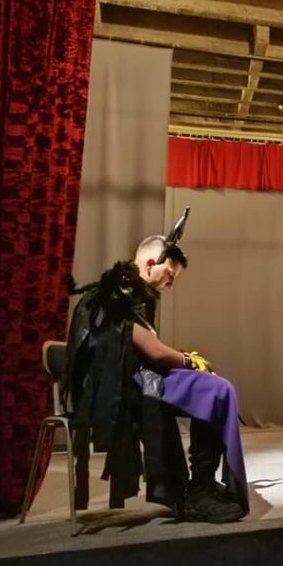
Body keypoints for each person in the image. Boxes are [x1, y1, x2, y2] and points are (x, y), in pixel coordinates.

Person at [65, 210, 249, 523]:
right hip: (124, 387)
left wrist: (187, 361)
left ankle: (199, 485)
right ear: (151, 264)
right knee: (216, 389)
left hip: (140, 376)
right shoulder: (117, 294)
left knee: (215, 388)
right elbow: (152, 351)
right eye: (169, 275)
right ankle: (196, 491)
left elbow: (147, 350)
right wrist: (190, 361)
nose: (170, 284)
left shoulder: (134, 294)